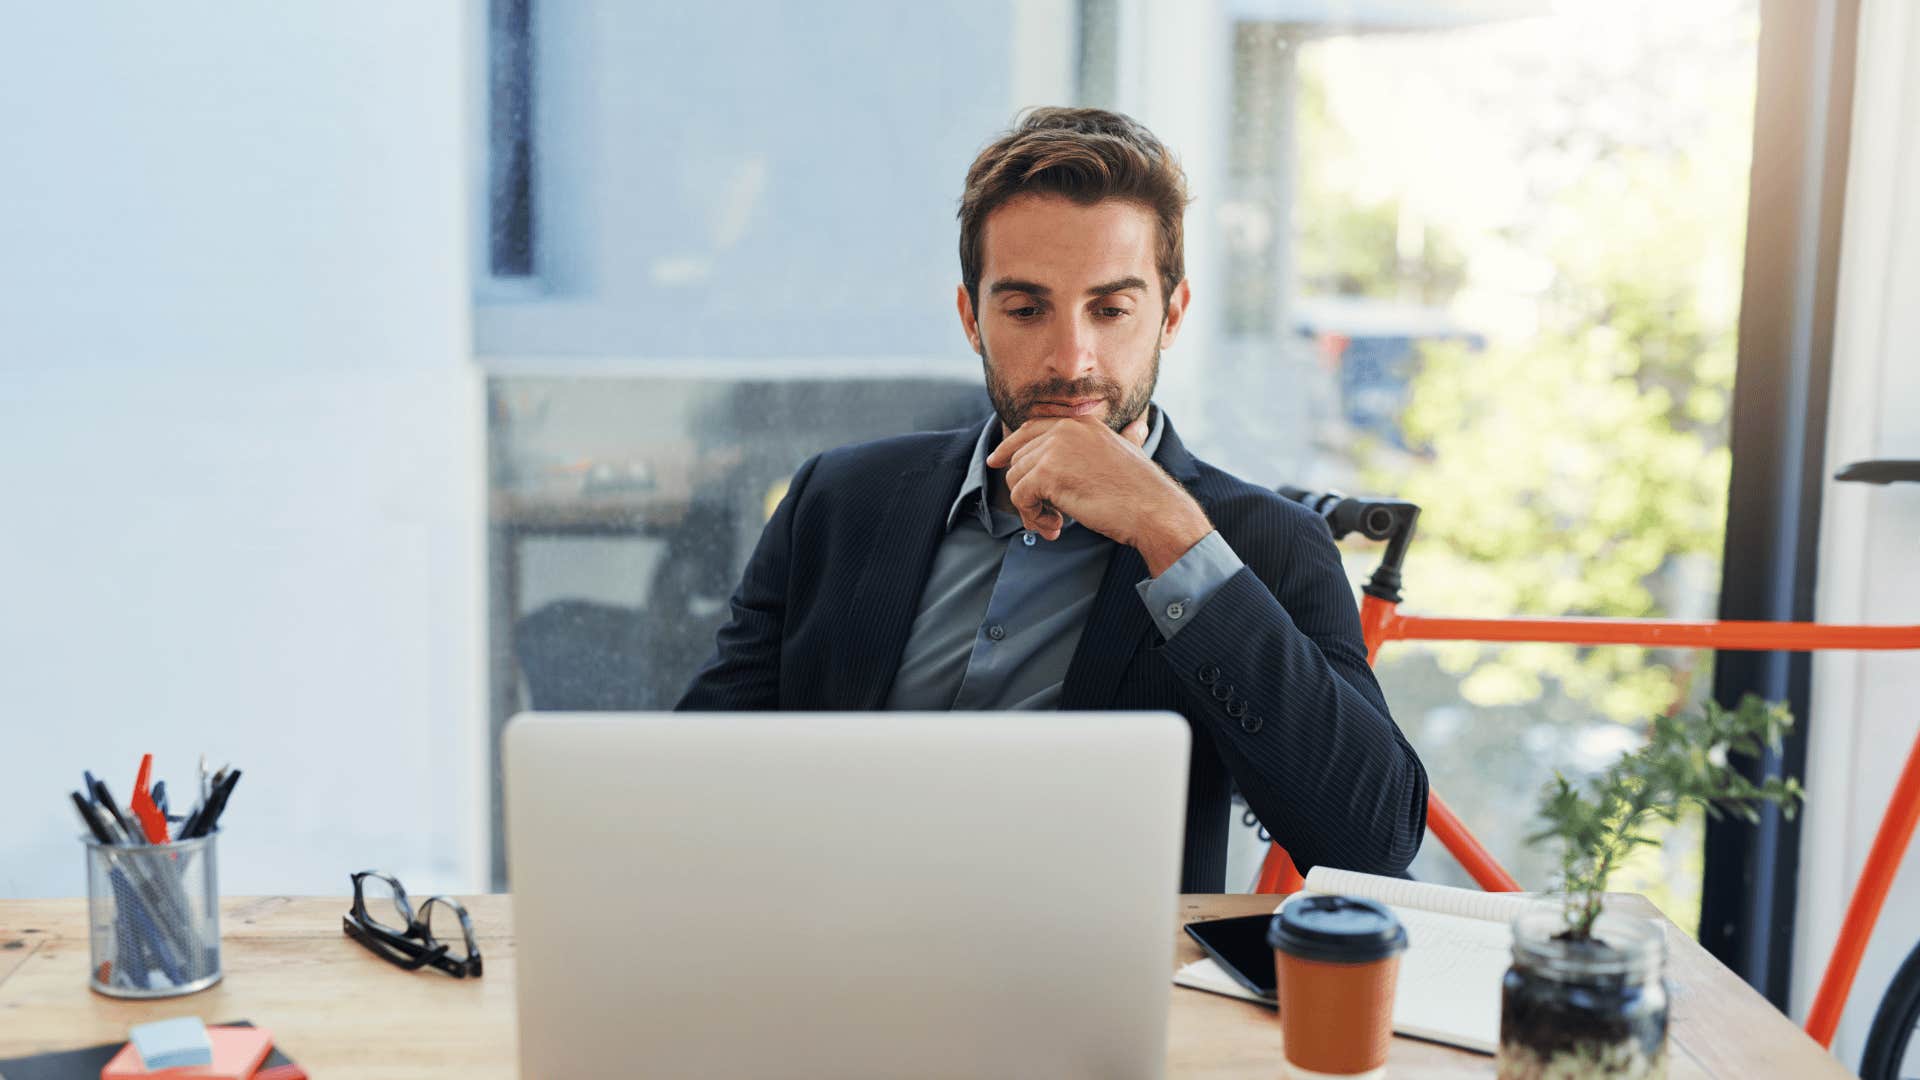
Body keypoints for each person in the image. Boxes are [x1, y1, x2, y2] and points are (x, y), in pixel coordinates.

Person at [678, 107, 1426, 891]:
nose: (1072, 361)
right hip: (825, 946)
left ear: (1170, 316)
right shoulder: (836, 500)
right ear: (972, 318)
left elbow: (1372, 840)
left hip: (1089, 982)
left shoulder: (1262, 541)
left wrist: (1169, 531)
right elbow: (687, 784)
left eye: (1111, 310)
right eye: (1027, 309)